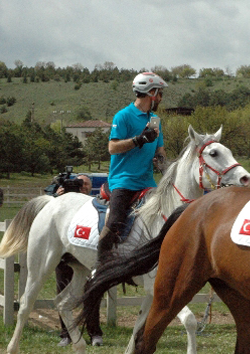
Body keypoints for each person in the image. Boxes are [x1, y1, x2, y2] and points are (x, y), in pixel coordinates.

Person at [97, 72, 167, 263]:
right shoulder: (123, 116)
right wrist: (138, 140)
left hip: (148, 183)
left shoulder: (155, 120)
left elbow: (160, 152)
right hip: (124, 181)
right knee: (115, 221)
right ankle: (99, 267)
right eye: (159, 93)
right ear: (150, 93)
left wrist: (161, 162)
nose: (160, 98)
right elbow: (112, 148)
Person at [53, 174, 103, 347]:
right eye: (80, 183)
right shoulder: (61, 203)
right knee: (63, 290)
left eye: (86, 184)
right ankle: (66, 335)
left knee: (92, 293)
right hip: (64, 255)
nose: (83, 186)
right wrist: (57, 199)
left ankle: (94, 333)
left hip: (86, 255)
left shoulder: (95, 204)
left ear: (91, 186)